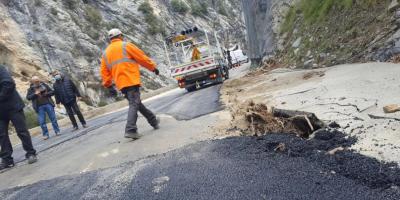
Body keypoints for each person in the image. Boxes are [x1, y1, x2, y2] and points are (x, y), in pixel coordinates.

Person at [100, 28, 160, 139]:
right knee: (134, 104)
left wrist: (108, 85)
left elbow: (104, 72)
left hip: (121, 84)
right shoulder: (126, 45)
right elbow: (142, 58)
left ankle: (153, 120)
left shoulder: (105, 53)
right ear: (120, 36)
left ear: (110, 39)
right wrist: (153, 67)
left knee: (136, 103)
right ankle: (130, 129)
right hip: (131, 80)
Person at [0, 65, 37, 170]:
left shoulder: (1, 69)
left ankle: (31, 153)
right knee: (1, 135)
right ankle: (7, 160)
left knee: (22, 131)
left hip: (13, 106)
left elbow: (9, 83)